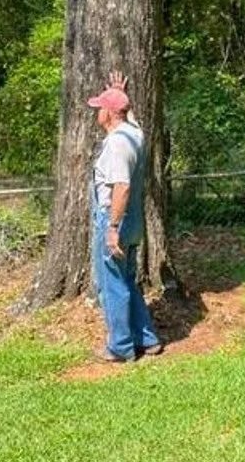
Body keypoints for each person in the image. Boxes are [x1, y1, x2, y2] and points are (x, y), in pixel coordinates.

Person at [88, 74, 162, 362]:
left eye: (100, 107)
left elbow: (122, 186)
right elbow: (129, 117)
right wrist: (119, 93)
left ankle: (120, 346)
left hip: (115, 218)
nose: (97, 112)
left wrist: (112, 228)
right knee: (127, 280)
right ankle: (147, 339)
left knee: (112, 284)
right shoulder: (134, 133)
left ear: (109, 113)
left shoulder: (118, 144)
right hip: (134, 221)